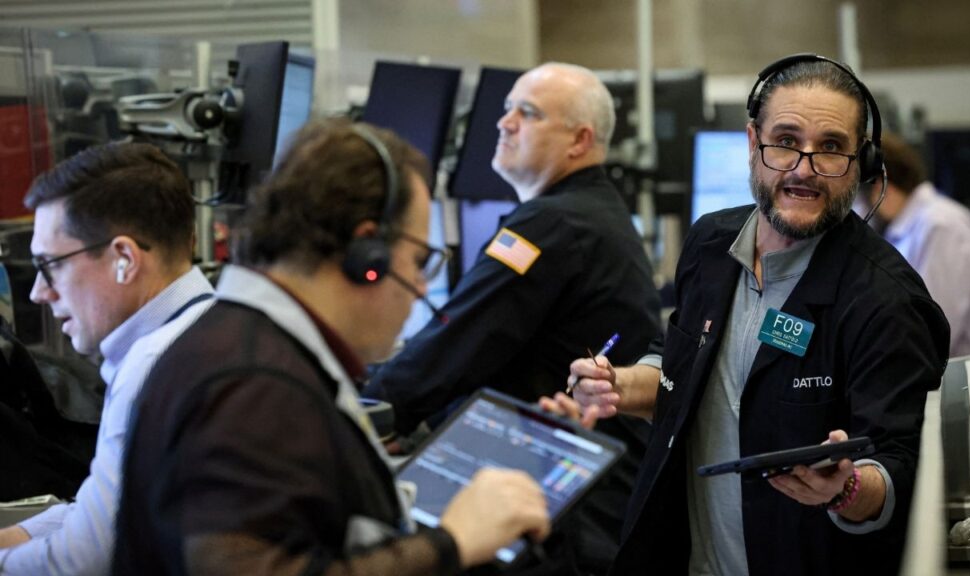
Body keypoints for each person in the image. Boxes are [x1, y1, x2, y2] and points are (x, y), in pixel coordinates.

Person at [564, 55, 950, 576]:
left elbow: (901, 467)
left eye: (831, 147)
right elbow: (680, 368)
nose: (804, 168)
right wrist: (617, 384)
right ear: (753, 143)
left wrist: (848, 487)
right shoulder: (709, 244)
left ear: (861, 164)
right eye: (786, 140)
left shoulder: (886, 300)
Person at [113, 120, 550, 575]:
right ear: (369, 258)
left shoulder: (246, 346)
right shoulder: (256, 384)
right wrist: (451, 543)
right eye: (419, 261)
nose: (421, 285)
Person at [366, 62, 662, 574]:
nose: (504, 123)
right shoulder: (587, 210)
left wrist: (369, 409)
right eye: (507, 110)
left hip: (573, 512)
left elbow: (454, 343)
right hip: (596, 486)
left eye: (528, 113)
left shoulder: (553, 224)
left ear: (579, 140)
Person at [0, 142, 215, 575]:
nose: (37, 293)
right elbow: (106, 514)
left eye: (51, 265)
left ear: (123, 259)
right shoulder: (206, 327)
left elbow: (83, 562)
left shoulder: (157, 367)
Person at [858, 131, 970, 357]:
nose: (860, 212)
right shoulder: (904, 229)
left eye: (860, 200)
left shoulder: (941, 227)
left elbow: (929, 333)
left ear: (881, 187)